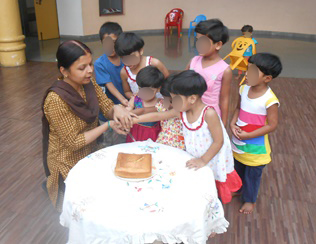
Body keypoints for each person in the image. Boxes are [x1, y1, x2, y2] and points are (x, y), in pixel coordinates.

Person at [42, 40, 134, 211]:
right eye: (82, 67)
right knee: (79, 211)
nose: (90, 70)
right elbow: (74, 142)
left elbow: (106, 106)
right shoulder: (55, 100)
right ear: (64, 71)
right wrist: (108, 125)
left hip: (90, 151)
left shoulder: (88, 84)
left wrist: (118, 111)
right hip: (67, 161)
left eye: (90, 64)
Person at [135, 70, 242, 204]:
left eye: (176, 99)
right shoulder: (182, 112)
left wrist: (203, 160)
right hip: (195, 156)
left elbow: (218, 141)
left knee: (212, 184)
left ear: (192, 98)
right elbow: (158, 116)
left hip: (211, 157)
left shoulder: (208, 114)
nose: (173, 103)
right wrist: (133, 119)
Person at [230, 53, 282, 214]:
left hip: (256, 149)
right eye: (248, 69)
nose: (247, 74)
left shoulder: (269, 99)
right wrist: (232, 123)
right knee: (237, 169)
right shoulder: (243, 88)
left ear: (267, 78)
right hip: (239, 141)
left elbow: (272, 125)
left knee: (252, 176)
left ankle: (250, 200)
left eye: (253, 72)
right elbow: (238, 108)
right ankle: (238, 189)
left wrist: (249, 136)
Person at [186, 19, 232, 126]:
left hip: (210, 116)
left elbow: (224, 99)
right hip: (190, 111)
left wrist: (223, 125)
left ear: (218, 45)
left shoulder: (225, 70)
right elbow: (182, 84)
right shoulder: (193, 62)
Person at [94, 22, 127, 146]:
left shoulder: (127, 58)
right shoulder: (100, 64)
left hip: (127, 109)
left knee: (125, 138)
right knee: (107, 143)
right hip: (108, 112)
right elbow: (109, 85)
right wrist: (123, 100)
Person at [134, 77, 185, 150]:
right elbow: (146, 111)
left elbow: (157, 116)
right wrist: (131, 118)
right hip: (161, 143)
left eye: (171, 101)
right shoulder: (161, 104)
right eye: (165, 99)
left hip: (178, 147)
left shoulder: (181, 110)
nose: (167, 104)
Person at [114, 32, 169, 99]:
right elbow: (127, 91)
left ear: (141, 51)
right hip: (141, 105)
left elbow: (168, 82)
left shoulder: (154, 63)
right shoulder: (124, 72)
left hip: (160, 104)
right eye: (124, 58)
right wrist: (137, 100)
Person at [126, 66, 163, 142]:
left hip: (153, 133)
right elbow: (128, 108)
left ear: (158, 89)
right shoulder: (136, 99)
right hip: (136, 131)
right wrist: (127, 111)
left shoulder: (159, 102)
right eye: (140, 89)